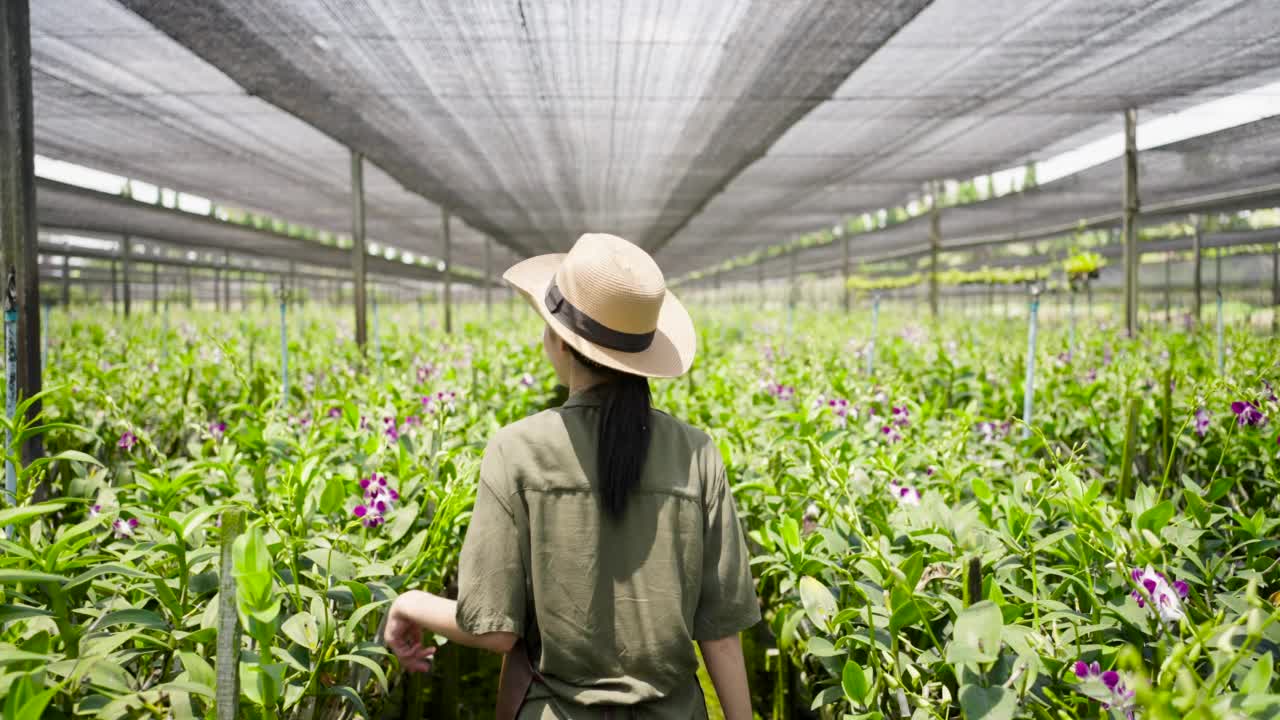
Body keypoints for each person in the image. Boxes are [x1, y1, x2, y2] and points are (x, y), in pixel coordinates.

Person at [384, 233, 760, 718]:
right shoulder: (697, 454)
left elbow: (495, 630)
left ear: (559, 340)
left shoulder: (514, 451)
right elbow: (721, 635)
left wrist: (409, 602)